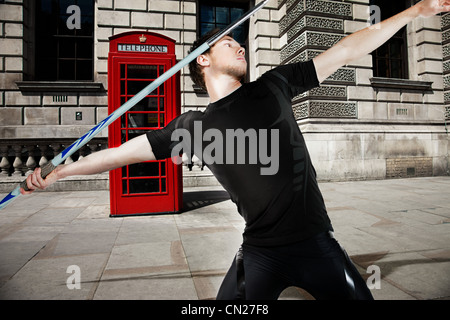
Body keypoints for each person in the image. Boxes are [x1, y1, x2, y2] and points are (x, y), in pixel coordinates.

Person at [21, 0, 450, 300]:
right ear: (202, 61)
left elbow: (348, 47)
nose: (240, 44)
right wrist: (57, 173)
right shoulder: (194, 127)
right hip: (260, 253)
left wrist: (415, 12)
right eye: (228, 41)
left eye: (239, 40)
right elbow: (118, 155)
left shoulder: (276, 85)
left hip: (318, 245)